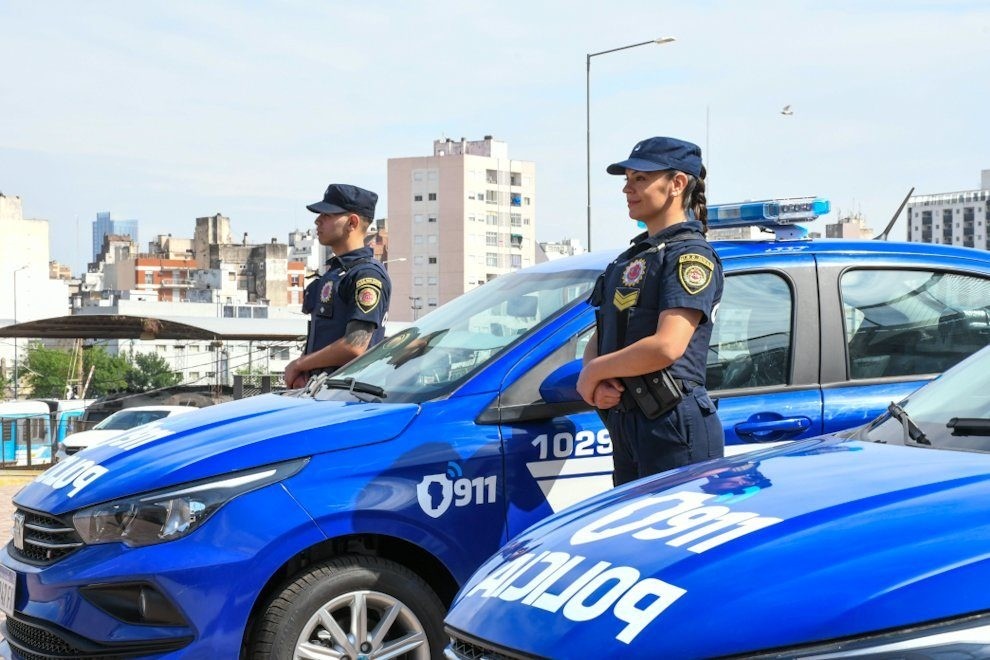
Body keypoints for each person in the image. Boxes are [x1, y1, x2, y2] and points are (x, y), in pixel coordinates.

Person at [577, 136, 724, 486]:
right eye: (627, 179)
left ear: (677, 184)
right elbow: (605, 332)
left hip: (673, 425)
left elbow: (666, 346)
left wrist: (593, 372)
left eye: (641, 179)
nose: (628, 188)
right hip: (629, 421)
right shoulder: (633, 258)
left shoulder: (690, 255)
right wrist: (595, 384)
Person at [283, 183, 391, 389]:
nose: (317, 220)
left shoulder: (366, 275)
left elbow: (355, 345)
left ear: (352, 222)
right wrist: (303, 372)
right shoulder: (337, 272)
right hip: (324, 393)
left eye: (327, 215)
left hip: (349, 398)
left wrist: (299, 364)